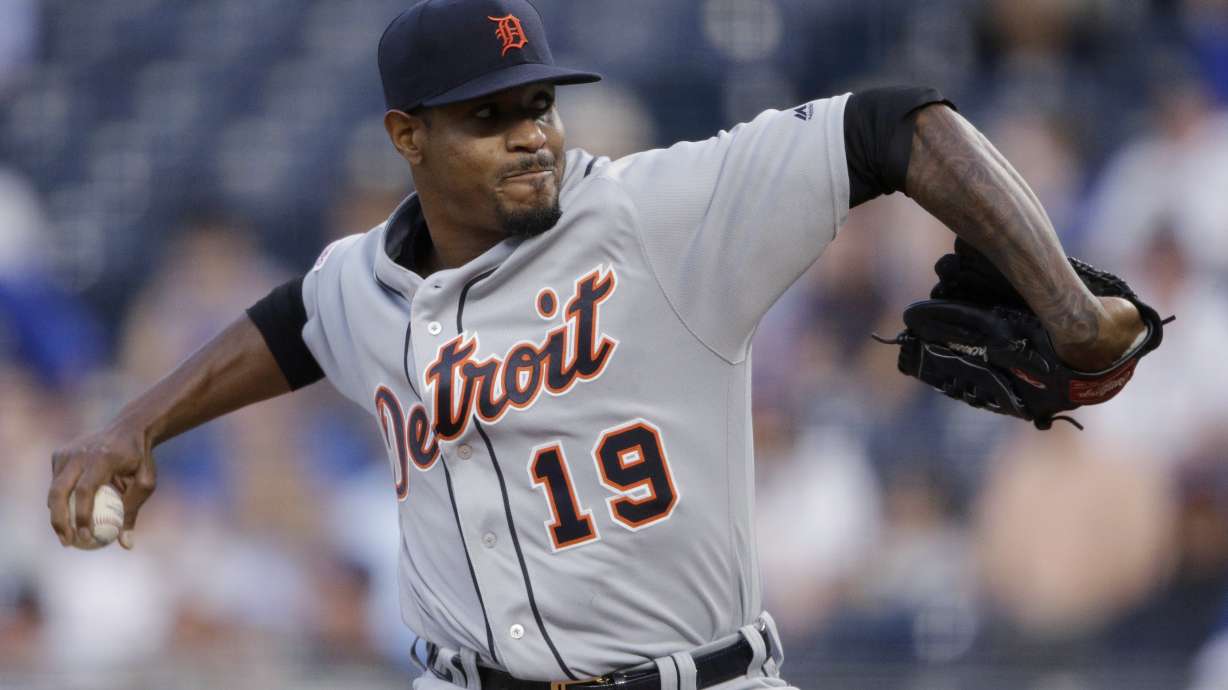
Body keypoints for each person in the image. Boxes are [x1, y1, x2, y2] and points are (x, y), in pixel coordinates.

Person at [47, 1, 1146, 688]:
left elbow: (892, 122)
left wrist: (1068, 306)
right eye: (490, 116)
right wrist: (133, 421)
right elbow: (294, 322)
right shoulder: (362, 281)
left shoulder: (654, 213)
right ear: (406, 136)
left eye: (540, 103)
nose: (532, 132)